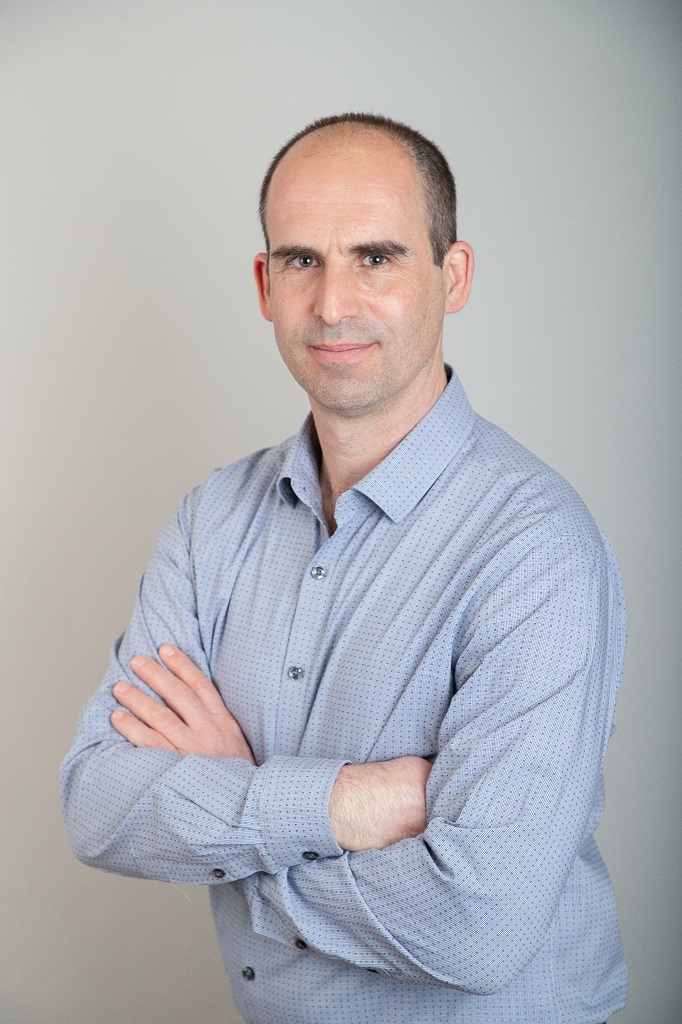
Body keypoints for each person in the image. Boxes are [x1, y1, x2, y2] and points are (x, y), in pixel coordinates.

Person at [61, 113, 626, 1024]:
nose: (332, 304)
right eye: (301, 260)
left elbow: (478, 927)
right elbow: (96, 804)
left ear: (453, 276)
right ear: (265, 284)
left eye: (376, 257)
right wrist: (346, 804)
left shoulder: (535, 549)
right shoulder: (213, 521)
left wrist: (240, 815)